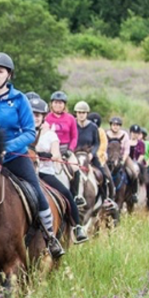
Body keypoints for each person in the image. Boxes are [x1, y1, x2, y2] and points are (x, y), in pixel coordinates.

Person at [0, 52, 65, 258]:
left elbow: (29, 132)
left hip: (13, 157)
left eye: (0, 71)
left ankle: (49, 236)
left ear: (8, 75)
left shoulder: (19, 99)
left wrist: (8, 146)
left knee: (37, 192)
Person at [31, 97, 88, 244]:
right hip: (27, 172)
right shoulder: (24, 132)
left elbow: (56, 154)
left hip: (45, 173)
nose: (34, 118)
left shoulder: (50, 135)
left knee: (67, 194)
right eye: (31, 114)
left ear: (43, 117)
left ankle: (77, 226)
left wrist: (48, 155)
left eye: (37, 115)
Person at [45, 91, 84, 206]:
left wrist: (70, 150)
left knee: (75, 168)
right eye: (56, 103)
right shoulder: (47, 118)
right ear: (51, 104)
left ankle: (76, 195)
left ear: (64, 105)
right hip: (50, 150)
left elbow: (74, 136)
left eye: (61, 103)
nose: (58, 105)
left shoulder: (70, 118)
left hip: (65, 149)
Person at [75, 102, 115, 208]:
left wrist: (92, 154)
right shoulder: (73, 124)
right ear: (76, 113)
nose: (81, 115)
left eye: (83, 112)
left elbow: (97, 143)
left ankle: (106, 197)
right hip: (75, 155)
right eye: (79, 112)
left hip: (89, 155)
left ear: (87, 113)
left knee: (104, 174)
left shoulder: (93, 127)